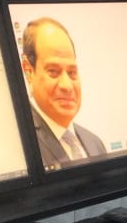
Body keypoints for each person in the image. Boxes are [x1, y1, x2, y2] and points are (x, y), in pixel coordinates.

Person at [20, 17, 106, 167]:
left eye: (72, 72)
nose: (67, 85)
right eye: (53, 71)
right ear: (29, 71)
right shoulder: (20, 146)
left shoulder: (95, 144)